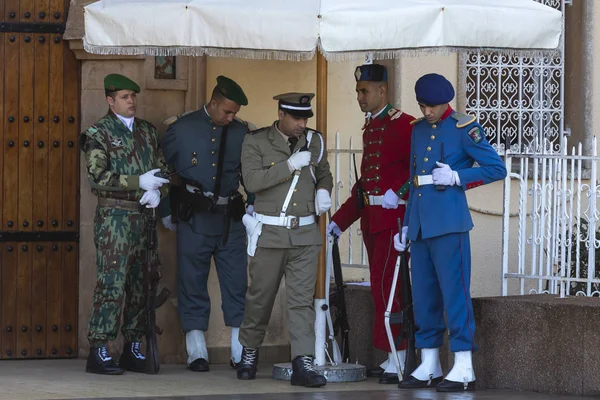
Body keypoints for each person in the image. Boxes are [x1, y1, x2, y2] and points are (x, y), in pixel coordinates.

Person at [394, 73, 507, 392]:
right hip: (420, 223)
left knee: (454, 295)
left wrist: (458, 177)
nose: (427, 111)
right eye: (422, 105)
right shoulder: (417, 130)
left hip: (449, 222)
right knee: (425, 295)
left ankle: (463, 365)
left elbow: (497, 168)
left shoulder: (463, 127)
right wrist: (406, 223)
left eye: (432, 106)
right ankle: (429, 362)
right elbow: (416, 178)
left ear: (446, 101)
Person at [237, 92, 333, 388]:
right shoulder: (255, 141)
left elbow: (324, 173)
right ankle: (249, 351)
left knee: (301, 303)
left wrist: (323, 189)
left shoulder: (314, 142)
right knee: (260, 298)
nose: (302, 124)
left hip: (305, 234)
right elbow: (252, 181)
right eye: (296, 118)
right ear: (281, 114)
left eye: (305, 118)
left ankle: (302, 362)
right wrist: (289, 166)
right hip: (271, 233)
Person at [327, 63, 414, 384]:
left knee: (388, 288)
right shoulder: (372, 128)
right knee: (380, 286)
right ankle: (391, 353)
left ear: (382, 90)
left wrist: (402, 192)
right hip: (373, 220)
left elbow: (419, 168)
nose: (360, 97)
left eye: (365, 91)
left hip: (394, 219)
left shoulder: (404, 124)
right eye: (357, 92)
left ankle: (398, 353)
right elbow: (365, 186)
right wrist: (339, 222)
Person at [160, 76, 254, 372]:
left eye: (235, 112)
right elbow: (162, 171)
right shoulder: (181, 129)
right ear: (213, 103)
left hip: (231, 221)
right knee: (192, 282)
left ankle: (240, 352)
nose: (231, 117)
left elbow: (250, 176)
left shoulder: (242, 133)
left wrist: (253, 209)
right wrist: (165, 209)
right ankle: (196, 350)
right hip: (195, 217)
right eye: (227, 111)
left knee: (237, 284)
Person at [80, 73, 170, 375]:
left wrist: (158, 191)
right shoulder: (98, 133)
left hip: (144, 217)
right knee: (112, 284)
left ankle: (134, 347)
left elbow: (162, 169)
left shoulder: (147, 131)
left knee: (141, 283)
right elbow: (97, 176)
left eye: (133, 95)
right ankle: (100, 349)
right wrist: (136, 182)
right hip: (115, 218)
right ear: (110, 100)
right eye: (124, 96)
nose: (131, 100)